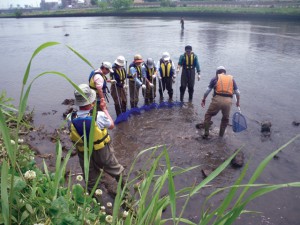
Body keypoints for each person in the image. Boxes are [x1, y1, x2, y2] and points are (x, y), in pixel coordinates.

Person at [68, 84, 125, 192]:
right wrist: (104, 109)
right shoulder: (99, 115)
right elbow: (112, 125)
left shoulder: (70, 117)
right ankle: (126, 197)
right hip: (102, 151)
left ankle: (96, 203)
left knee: (91, 181)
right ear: (91, 101)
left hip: (83, 153)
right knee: (118, 172)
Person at [201, 66, 240, 139]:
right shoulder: (231, 79)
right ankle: (221, 137)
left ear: (217, 73)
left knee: (208, 115)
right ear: (225, 73)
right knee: (225, 119)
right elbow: (237, 92)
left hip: (217, 100)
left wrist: (204, 99)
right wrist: (238, 102)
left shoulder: (215, 79)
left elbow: (207, 91)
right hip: (228, 101)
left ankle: (206, 133)